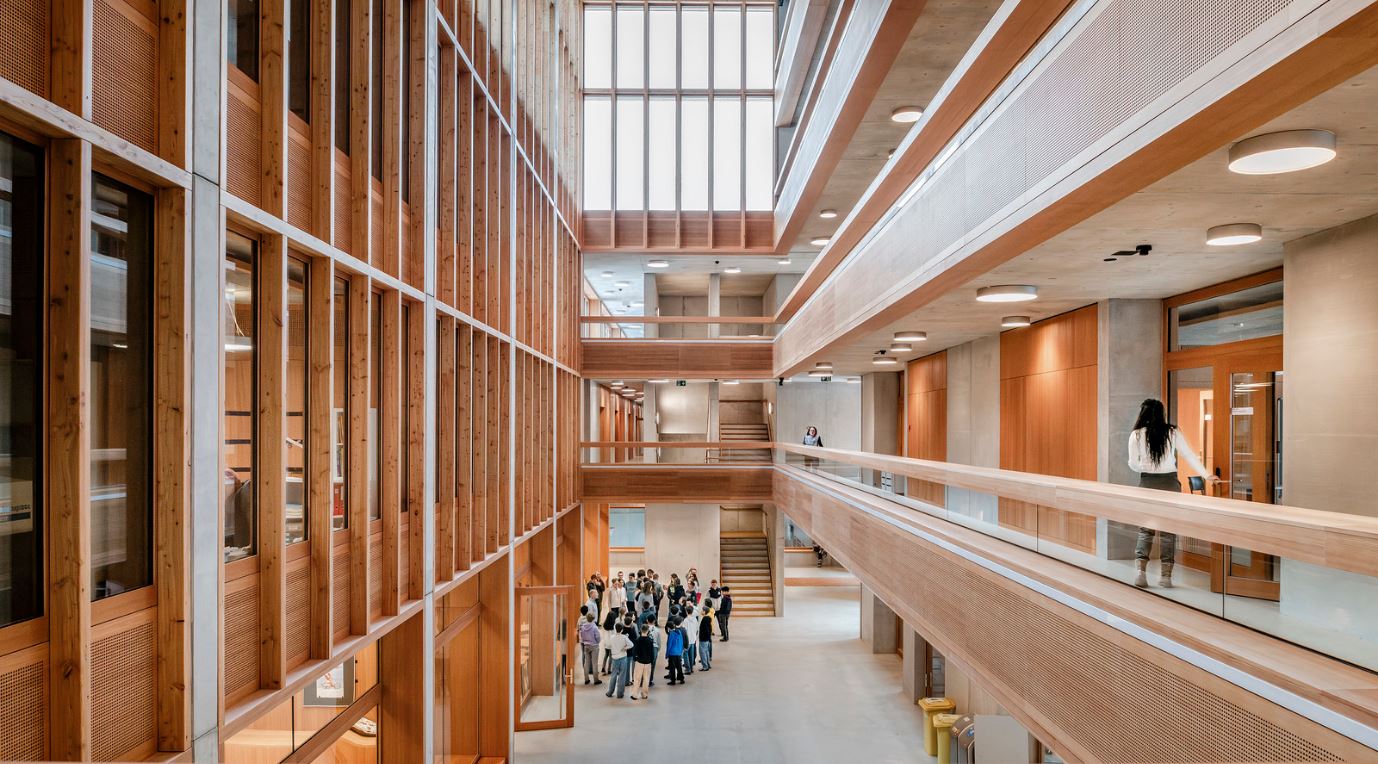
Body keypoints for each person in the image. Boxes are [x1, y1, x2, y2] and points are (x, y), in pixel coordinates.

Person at [1128, 398, 1216, 589]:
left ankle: (1140, 573)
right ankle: (1166, 577)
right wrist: (1206, 475)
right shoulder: (1172, 432)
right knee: (1168, 531)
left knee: (1146, 529)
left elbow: (1133, 464)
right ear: (1162, 413)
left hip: (1147, 483)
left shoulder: (1136, 435)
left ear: (1142, 413)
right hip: (1170, 483)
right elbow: (1189, 455)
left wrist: (1146, 464)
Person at [604, 623, 634, 698]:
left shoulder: (612, 637)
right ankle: (620, 693)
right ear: (622, 630)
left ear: (615, 629)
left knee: (613, 675)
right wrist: (625, 648)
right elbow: (631, 644)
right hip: (623, 657)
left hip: (614, 658)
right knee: (622, 676)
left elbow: (608, 645)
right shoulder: (624, 637)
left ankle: (610, 692)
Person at [630, 625, 655, 700]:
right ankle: (644, 694)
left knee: (637, 679)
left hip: (639, 662)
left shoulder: (637, 640)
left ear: (641, 630)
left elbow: (634, 651)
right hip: (647, 662)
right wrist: (652, 661)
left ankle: (634, 695)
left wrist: (635, 658)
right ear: (648, 631)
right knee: (646, 679)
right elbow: (652, 652)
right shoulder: (650, 640)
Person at [578, 614, 603, 685]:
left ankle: (586, 679)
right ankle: (596, 679)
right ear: (593, 619)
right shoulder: (594, 627)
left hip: (586, 645)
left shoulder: (583, 627)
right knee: (594, 663)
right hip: (594, 646)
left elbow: (582, 636)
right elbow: (598, 637)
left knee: (586, 663)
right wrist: (597, 642)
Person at [664, 617, 686, 685]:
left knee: (672, 667)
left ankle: (673, 680)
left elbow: (669, 645)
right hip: (678, 653)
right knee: (679, 666)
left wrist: (667, 654)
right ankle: (681, 679)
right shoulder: (679, 632)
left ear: (668, 628)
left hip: (672, 653)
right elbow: (682, 642)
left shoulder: (671, 634)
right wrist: (681, 650)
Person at [681, 606, 699, 675]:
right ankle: (691, 668)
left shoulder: (685, 620)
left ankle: (688, 669)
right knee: (691, 655)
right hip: (693, 639)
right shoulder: (695, 619)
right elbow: (697, 629)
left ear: (686, 611)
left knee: (685, 654)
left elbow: (684, 631)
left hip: (687, 640)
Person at [696, 603, 714, 670]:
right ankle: (707, 665)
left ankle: (705, 666)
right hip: (707, 638)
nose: (701, 611)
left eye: (702, 610)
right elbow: (710, 629)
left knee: (702, 653)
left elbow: (706, 630)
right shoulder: (708, 618)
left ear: (704, 612)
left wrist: (704, 638)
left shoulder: (704, 620)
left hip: (703, 639)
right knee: (706, 652)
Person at [600, 610, 619, 675]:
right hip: (611, 643)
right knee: (611, 656)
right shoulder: (614, 626)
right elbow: (615, 634)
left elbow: (603, 633)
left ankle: (603, 667)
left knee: (606, 655)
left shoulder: (604, 624)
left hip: (606, 642)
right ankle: (609, 669)